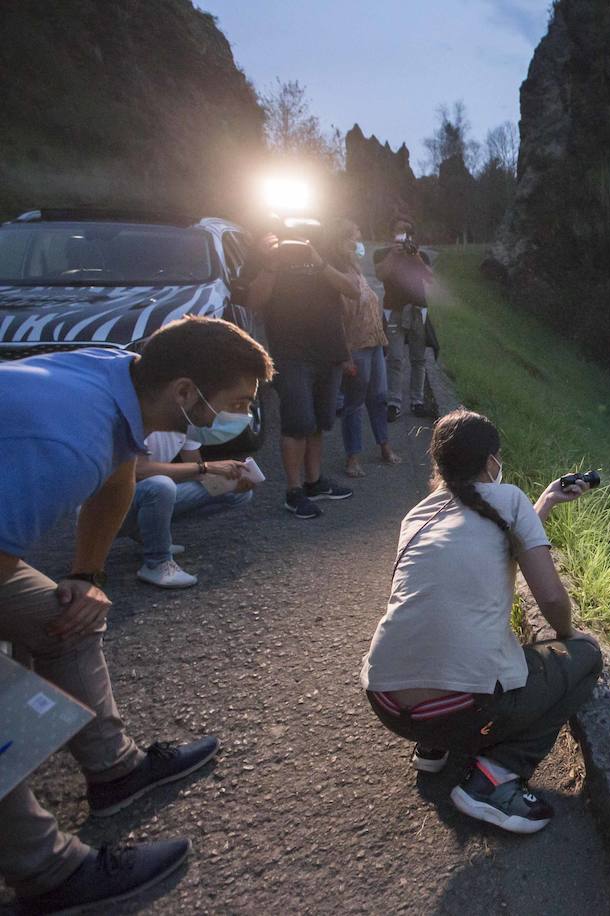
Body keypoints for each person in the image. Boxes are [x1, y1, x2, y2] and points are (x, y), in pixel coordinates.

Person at [0, 316, 273, 913]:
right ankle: (49, 873)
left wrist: (85, 576)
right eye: (235, 404)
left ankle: (115, 768)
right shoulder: (68, 443)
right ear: (184, 392)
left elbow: (120, 476)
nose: (239, 418)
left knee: (63, 612)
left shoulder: (119, 376)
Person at [360, 409, 602, 834]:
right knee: (583, 659)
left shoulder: (417, 516)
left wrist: (541, 504)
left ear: (439, 463)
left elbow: (479, 549)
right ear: (492, 461)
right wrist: (568, 637)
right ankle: (495, 777)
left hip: (386, 701)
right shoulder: (508, 498)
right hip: (463, 708)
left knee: (443, 629)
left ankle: (434, 747)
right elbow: (548, 595)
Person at [248, 227, 356, 518]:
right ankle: (293, 492)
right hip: (291, 355)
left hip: (328, 353)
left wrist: (319, 262)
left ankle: (314, 481)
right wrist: (271, 264)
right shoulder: (268, 257)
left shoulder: (325, 256)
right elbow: (253, 301)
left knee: (319, 422)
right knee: (297, 423)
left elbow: (353, 290)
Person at [118, 431, 256, 589]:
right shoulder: (143, 418)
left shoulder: (185, 424)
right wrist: (205, 467)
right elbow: (139, 471)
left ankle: (152, 535)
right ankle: (156, 562)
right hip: (106, 510)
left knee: (237, 495)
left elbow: (196, 473)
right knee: (160, 486)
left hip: (139, 498)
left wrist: (230, 482)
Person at [324, 218, 402, 478]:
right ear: (339, 242)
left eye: (357, 238)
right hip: (354, 346)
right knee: (355, 404)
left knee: (379, 399)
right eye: (352, 239)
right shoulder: (335, 273)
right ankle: (353, 457)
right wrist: (343, 356)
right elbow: (336, 318)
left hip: (374, 344)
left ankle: (384, 446)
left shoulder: (356, 268)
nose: (357, 244)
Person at [373, 216, 436, 420]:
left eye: (408, 231)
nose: (403, 235)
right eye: (399, 231)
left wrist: (414, 255)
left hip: (418, 310)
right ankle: (394, 403)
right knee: (395, 358)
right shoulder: (382, 253)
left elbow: (429, 279)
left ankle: (417, 402)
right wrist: (394, 253)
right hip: (394, 310)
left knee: (418, 358)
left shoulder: (420, 255)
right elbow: (381, 275)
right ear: (392, 233)